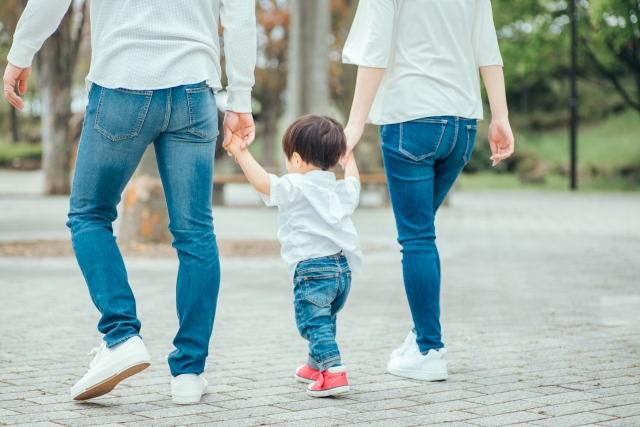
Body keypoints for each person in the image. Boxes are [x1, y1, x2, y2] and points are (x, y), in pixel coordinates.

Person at [3, 0, 256, 404]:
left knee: (89, 215)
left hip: (122, 80)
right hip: (194, 89)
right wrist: (240, 96)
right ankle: (189, 374)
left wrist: (21, 51)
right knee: (196, 234)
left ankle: (121, 336)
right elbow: (240, 12)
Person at [341, 0, 515, 381]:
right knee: (422, 232)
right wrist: (500, 117)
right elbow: (488, 49)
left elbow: (375, 51)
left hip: (411, 121)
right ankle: (421, 333)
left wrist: (354, 125)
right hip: (462, 126)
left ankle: (430, 350)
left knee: (416, 237)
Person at [224, 115, 362, 397]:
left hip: (313, 271)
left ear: (296, 160)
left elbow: (263, 183)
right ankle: (315, 364)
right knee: (325, 318)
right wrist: (350, 160)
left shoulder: (296, 186)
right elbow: (355, 184)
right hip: (341, 271)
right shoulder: (337, 189)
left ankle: (333, 372)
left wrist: (241, 152)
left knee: (313, 322)